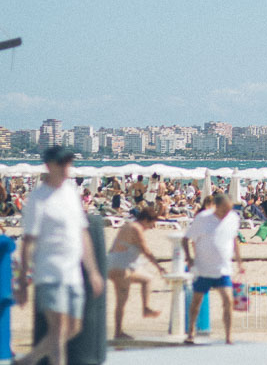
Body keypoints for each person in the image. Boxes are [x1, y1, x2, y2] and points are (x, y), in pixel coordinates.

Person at [15, 146, 105, 365]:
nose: (67, 168)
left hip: (72, 272)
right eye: (62, 163)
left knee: (74, 327)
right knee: (58, 328)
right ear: (50, 166)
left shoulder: (70, 193)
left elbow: (82, 234)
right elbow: (28, 241)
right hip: (49, 271)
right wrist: (23, 280)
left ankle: (29, 360)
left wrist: (92, 271)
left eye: (69, 163)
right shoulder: (38, 198)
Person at [183, 192, 243, 345]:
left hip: (223, 270)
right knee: (196, 301)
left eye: (229, 209)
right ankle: (191, 332)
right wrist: (189, 259)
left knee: (228, 300)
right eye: (224, 209)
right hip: (203, 269)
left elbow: (234, 240)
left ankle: (228, 336)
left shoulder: (233, 218)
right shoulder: (203, 218)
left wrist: (240, 262)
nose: (226, 213)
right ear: (216, 206)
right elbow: (186, 239)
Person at [107, 207, 163, 340]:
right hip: (121, 268)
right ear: (144, 220)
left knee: (147, 279)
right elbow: (146, 250)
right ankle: (118, 332)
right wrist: (159, 267)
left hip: (114, 264)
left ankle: (146, 308)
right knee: (121, 301)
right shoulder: (136, 228)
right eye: (151, 224)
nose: (151, 227)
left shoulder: (128, 226)